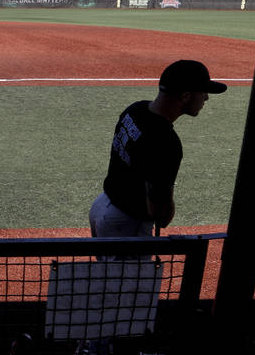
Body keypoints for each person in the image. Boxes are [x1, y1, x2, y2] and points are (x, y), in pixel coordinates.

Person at [89, 59, 227, 239]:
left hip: (102, 206)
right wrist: (167, 212)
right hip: (127, 224)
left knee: (107, 268)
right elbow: (158, 209)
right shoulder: (165, 141)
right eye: (203, 92)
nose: (206, 98)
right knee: (131, 269)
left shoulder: (135, 109)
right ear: (185, 96)